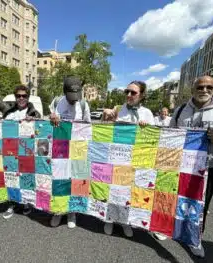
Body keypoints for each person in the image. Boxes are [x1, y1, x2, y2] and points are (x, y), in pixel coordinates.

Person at [167, 76, 213, 258]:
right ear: (193, 89)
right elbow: (169, 135)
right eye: (200, 86)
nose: (204, 90)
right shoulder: (181, 110)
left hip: (209, 169)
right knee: (175, 199)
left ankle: (195, 238)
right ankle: (171, 229)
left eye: (209, 87)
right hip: (182, 166)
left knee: (200, 207)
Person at [102, 80, 154, 238]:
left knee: (128, 193)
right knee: (113, 190)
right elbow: (105, 131)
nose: (129, 95)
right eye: (127, 92)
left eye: (133, 92)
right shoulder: (118, 110)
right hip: (117, 158)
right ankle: (109, 220)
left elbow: (154, 139)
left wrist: (147, 128)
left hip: (135, 161)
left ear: (142, 95)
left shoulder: (147, 113)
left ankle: (125, 222)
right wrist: (106, 117)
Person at [49, 76, 91, 228]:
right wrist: (51, 117)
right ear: (64, 92)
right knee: (59, 178)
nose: (74, 100)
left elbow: (89, 126)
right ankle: (58, 211)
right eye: (71, 97)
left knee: (75, 179)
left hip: (78, 148)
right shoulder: (56, 102)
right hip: (60, 148)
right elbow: (48, 125)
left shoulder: (84, 104)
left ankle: (72, 212)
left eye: (76, 96)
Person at [2, 85, 41, 219]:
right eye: (18, 96)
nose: (21, 98)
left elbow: (40, 130)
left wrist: (35, 120)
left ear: (28, 97)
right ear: (15, 97)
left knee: (26, 178)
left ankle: (26, 202)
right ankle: (11, 204)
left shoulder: (34, 112)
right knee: (11, 177)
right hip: (10, 151)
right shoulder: (9, 112)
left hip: (27, 151)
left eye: (24, 96)